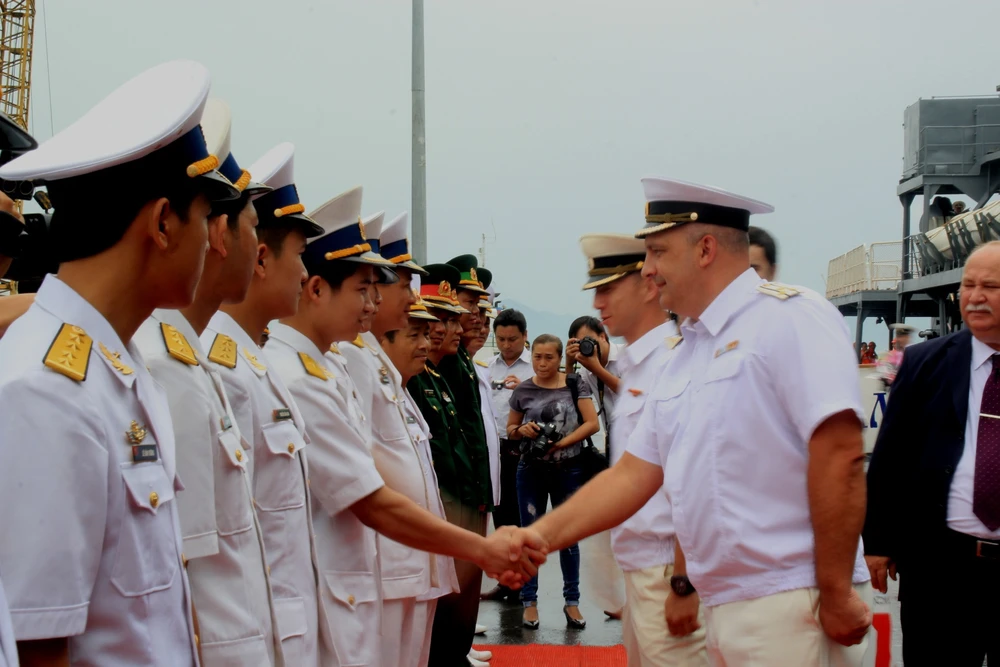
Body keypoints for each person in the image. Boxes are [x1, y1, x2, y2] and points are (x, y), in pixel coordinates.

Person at [507, 177, 873, 667]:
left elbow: (840, 454)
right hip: (726, 602)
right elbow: (634, 475)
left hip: (790, 601)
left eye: (657, 252)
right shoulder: (686, 356)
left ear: (705, 249)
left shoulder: (790, 318)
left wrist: (834, 590)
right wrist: (539, 536)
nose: (649, 269)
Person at [0, 60, 241, 666]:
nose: (216, 241)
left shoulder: (119, 371)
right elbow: (38, 645)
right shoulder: (46, 391)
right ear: (163, 222)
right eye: (208, 217)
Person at [132, 98, 281, 665]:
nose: (256, 248)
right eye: (250, 228)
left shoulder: (190, 358)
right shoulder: (166, 364)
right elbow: (185, 570)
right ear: (219, 233)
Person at [202, 141, 325, 666]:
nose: (303, 274)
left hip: (283, 625)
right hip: (246, 635)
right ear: (259, 257)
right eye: (299, 256)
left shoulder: (253, 360)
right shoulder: (216, 366)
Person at [864, 241, 1000, 666]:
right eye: (967, 285)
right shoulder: (926, 362)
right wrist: (879, 542)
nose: (974, 297)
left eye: (990, 286)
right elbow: (890, 457)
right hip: (941, 567)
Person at [578, 232, 708, 666]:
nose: (598, 303)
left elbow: (694, 484)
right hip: (643, 571)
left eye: (608, 288)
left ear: (649, 285)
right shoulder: (638, 365)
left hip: (668, 572)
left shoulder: (675, 364)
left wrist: (683, 583)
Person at [506, 334, 601, 630]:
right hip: (530, 469)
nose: (542, 362)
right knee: (530, 536)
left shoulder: (575, 384)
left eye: (549, 357)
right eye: (537, 357)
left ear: (559, 359)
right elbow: (510, 429)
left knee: (568, 538)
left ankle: (572, 602)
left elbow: (591, 423)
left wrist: (561, 444)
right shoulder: (523, 389)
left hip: (568, 468)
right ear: (531, 356)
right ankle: (529, 603)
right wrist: (524, 430)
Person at [483, 308, 533, 603]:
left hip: (525, 450)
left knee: (524, 518)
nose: (506, 344)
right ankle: (506, 583)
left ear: (525, 337)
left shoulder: (535, 367)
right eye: (500, 339)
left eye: (512, 339)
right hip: (498, 449)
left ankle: (527, 587)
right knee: (501, 516)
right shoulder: (487, 367)